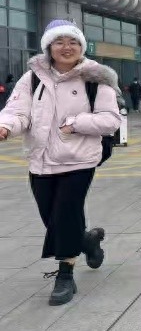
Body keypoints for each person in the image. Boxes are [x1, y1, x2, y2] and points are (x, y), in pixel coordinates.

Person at [0, 19, 121, 306]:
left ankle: (65, 275)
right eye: (59, 42)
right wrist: (5, 127)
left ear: (82, 47)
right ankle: (87, 240)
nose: (67, 47)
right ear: (48, 47)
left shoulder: (97, 78)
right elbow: (18, 112)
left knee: (66, 212)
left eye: (73, 42)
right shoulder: (31, 78)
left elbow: (111, 120)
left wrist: (75, 123)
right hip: (40, 160)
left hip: (79, 159)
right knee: (51, 218)